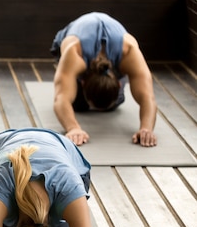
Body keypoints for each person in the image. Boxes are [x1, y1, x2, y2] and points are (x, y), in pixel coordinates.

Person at [50, 12, 157, 147]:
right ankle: (80, 93)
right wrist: (73, 128)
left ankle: (108, 97)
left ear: (119, 84)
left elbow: (148, 97)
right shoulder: (75, 53)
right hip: (73, 37)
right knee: (78, 104)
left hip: (114, 48)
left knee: (112, 105)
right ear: (82, 83)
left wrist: (146, 128)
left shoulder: (129, 53)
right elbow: (61, 98)